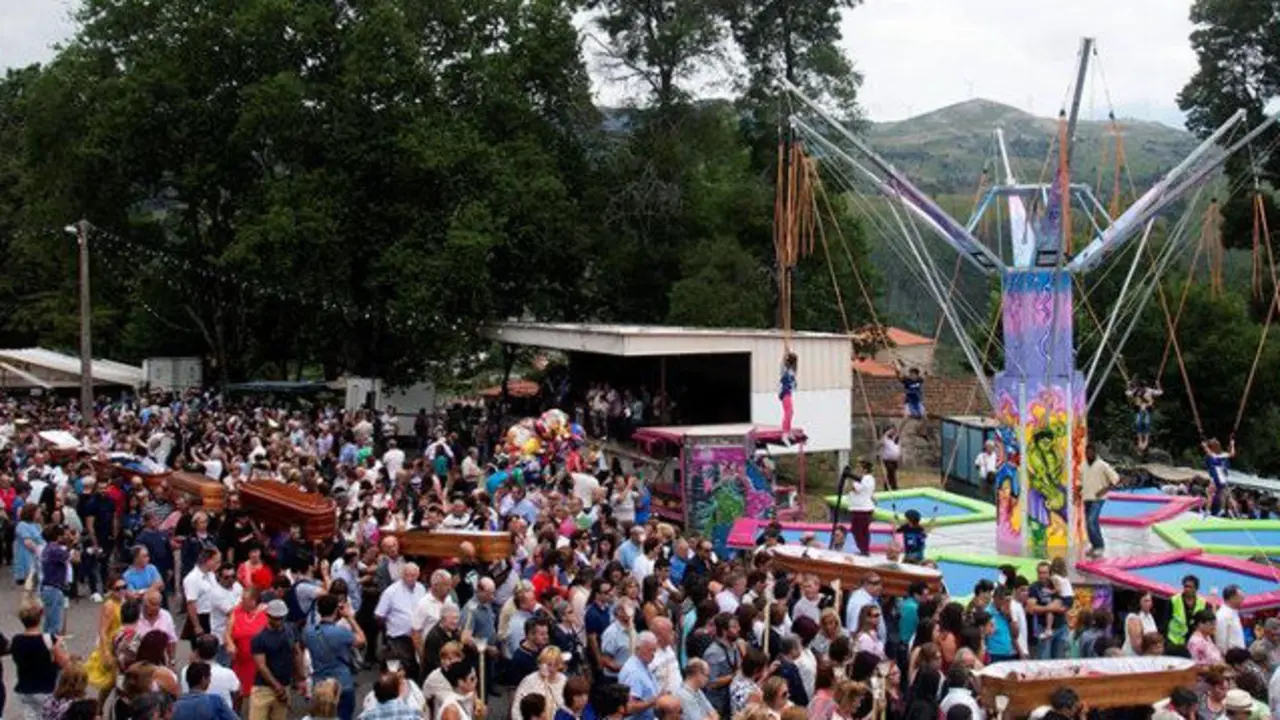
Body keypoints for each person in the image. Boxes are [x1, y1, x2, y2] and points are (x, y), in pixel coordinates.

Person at [306, 594, 367, 720]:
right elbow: (362, 641)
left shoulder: (309, 632)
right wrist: (349, 617)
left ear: (319, 611)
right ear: (336, 611)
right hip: (342, 682)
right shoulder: (341, 632)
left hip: (320, 684)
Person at [250, 599, 307, 720]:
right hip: (263, 688)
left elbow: (297, 653)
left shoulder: (291, 630)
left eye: (281, 617)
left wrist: (301, 678)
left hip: (285, 685)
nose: (279, 621)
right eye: (276, 618)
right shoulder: (259, 638)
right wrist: (277, 687)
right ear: (268, 616)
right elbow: (261, 666)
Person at [12, 604, 68, 720]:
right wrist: (60, 645)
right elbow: (63, 662)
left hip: (24, 689)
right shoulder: (48, 639)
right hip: (45, 689)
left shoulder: (16, 640)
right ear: (41, 616)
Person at [181, 634, 242, 711]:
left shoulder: (185, 670)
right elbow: (238, 693)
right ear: (217, 651)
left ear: (197, 651)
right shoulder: (228, 673)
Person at [1078, 444, 1119, 558]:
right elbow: (1081, 481)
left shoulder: (1102, 465)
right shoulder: (1083, 465)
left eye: (1091, 452)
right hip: (1087, 497)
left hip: (1098, 498)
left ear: (1095, 453)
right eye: (1087, 452)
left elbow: (1115, 479)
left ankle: (1100, 546)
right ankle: (1094, 545)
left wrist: (1104, 490)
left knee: (1091, 521)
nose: (1088, 454)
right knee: (1090, 523)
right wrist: (1078, 490)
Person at [513, 646, 568, 720]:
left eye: (556, 665)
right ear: (540, 664)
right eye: (548, 664)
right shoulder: (529, 681)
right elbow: (517, 708)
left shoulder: (563, 680)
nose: (551, 669)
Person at [172, 662, 239, 720]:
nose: (210, 681)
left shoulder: (176, 706)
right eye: (209, 678)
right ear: (203, 679)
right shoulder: (215, 701)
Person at [840, 463, 876, 556]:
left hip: (862, 510)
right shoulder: (864, 479)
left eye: (859, 467)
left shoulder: (866, 478)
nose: (857, 469)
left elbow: (854, 489)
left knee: (857, 530)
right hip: (860, 509)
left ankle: (863, 550)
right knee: (862, 530)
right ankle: (864, 550)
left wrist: (851, 482)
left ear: (865, 469)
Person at [1166, 575, 1205, 653]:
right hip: (1173, 641)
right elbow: (1165, 622)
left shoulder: (1203, 603)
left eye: (1190, 587)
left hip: (1192, 643)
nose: (1187, 589)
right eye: (1185, 586)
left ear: (1196, 589)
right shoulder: (1173, 600)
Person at [1127, 378, 1163, 454]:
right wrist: (1158, 385)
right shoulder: (1136, 391)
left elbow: (1160, 392)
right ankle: (1140, 440)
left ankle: (1145, 441)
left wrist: (1129, 386)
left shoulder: (1147, 390)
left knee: (1145, 424)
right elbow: (1128, 393)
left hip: (1145, 410)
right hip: (1140, 410)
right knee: (1139, 424)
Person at [1203, 437, 1236, 517]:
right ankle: (1221, 509)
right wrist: (1232, 444)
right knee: (1222, 493)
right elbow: (1232, 454)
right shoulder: (1222, 455)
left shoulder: (1211, 455)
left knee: (1211, 493)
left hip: (1216, 476)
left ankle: (1208, 511)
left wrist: (1205, 446)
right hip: (1222, 476)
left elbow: (1208, 452)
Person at [1216, 585, 1246, 654]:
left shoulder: (1234, 612)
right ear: (1232, 598)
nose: (1243, 600)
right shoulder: (1222, 615)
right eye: (1241, 598)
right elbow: (1220, 642)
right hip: (1231, 657)